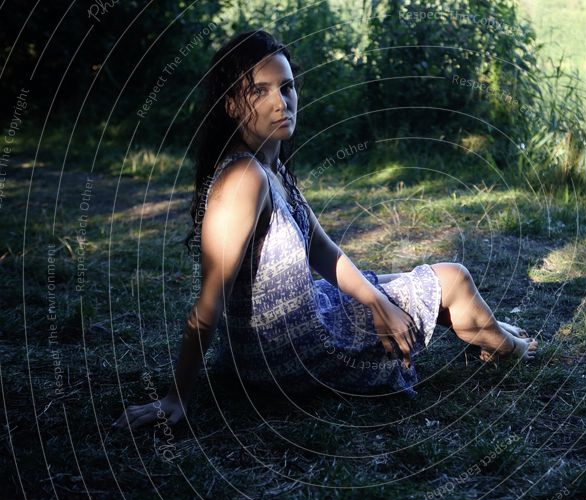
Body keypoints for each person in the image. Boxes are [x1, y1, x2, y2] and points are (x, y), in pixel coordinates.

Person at [112, 29, 537, 431]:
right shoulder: (243, 179)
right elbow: (209, 302)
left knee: (387, 287)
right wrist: (176, 398)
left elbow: (320, 249)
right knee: (454, 279)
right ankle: (515, 349)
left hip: (297, 324)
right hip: (290, 355)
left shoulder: (268, 166)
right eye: (259, 91)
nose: (280, 102)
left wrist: (376, 301)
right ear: (230, 105)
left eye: (287, 86)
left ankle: (493, 328)